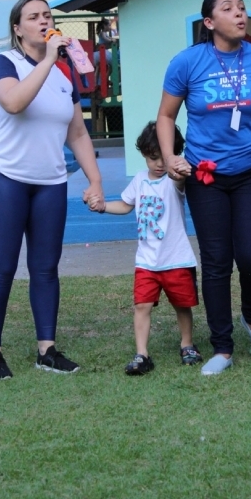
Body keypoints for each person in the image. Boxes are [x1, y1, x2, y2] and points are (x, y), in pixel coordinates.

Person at [156, 0, 251, 376]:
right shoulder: (187, 62)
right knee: (216, 261)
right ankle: (222, 347)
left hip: (249, 172)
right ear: (210, 22)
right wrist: (170, 157)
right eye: (229, 9)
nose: (240, 14)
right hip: (204, 176)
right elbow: (166, 116)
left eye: (242, 7)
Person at [0, 0, 105, 380]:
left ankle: (46, 350)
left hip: (50, 181)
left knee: (46, 268)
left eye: (47, 15)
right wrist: (49, 60)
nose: (43, 21)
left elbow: (77, 133)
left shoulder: (65, 76)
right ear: (17, 29)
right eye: (33, 17)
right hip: (4, 177)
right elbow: (14, 102)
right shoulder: (5, 64)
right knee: (1, 267)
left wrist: (95, 180)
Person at [93, 121, 201, 375]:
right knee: (142, 305)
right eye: (153, 158)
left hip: (176, 259)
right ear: (144, 154)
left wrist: (181, 171)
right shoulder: (140, 180)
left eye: (164, 157)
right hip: (146, 261)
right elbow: (125, 204)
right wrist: (103, 206)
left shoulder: (174, 180)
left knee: (181, 305)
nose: (160, 163)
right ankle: (142, 354)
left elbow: (180, 181)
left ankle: (187, 344)